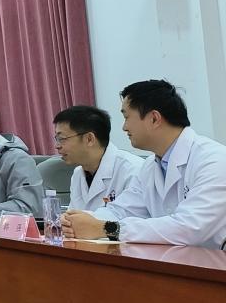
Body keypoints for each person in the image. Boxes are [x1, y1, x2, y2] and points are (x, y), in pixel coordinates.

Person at [64, 81, 226, 246]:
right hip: (174, 258)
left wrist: (108, 229)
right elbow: (120, 210)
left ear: (154, 118)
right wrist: (77, 221)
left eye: (126, 117)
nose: (124, 127)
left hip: (214, 259)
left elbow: (190, 228)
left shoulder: (214, 160)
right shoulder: (150, 166)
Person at [52, 104, 142, 213]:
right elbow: (73, 217)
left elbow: (130, 219)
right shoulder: (78, 174)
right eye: (57, 139)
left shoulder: (133, 171)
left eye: (62, 138)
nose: (57, 146)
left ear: (89, 139)